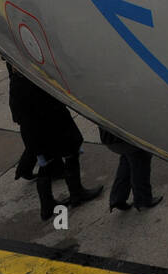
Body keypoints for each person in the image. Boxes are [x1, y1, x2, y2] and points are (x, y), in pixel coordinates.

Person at [6, 63, 103, 221]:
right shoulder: (35, 80)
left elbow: (16, 115)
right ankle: (76, 193)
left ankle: (47, 205)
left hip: (33, 133)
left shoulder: (16, 83)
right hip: (53, 125)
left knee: (47, 165)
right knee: (72, 151)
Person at [99, 127, 163, 212]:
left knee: (127, 160)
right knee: (140, 158)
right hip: (124, 137)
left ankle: (118, 198)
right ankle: (143, 199)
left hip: (111, 137)